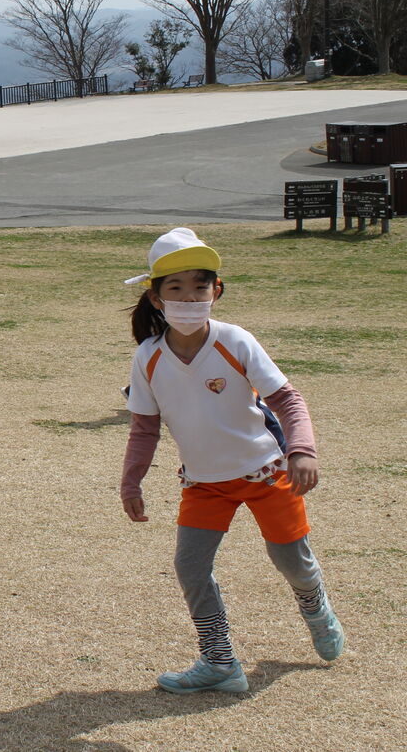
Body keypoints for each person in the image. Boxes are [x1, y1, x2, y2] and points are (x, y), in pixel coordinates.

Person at [121, 228, 344, 694]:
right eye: (175, 287)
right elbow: (144, 428)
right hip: (203, 483)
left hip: (267, 474)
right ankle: (220, 662)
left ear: (216, 291)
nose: (189, 297)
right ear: (156, 298)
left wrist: (301, 450)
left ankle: (316, 607)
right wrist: (131, 482)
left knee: (291, 561)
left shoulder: (235, 341)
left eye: (199, 286)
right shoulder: (148, 357)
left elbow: (288, 400)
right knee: (191, 568)